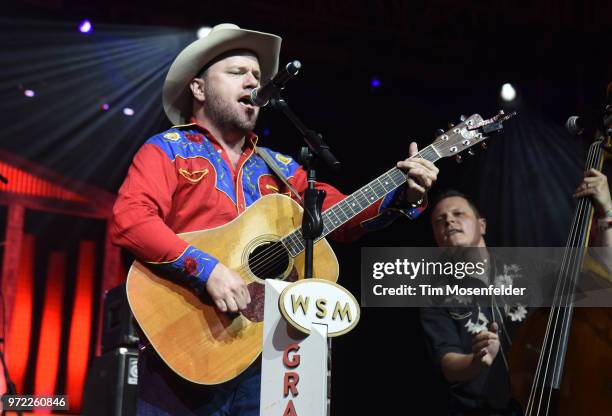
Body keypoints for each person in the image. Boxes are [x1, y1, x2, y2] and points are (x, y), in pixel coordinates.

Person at [111, 23, 439, 415]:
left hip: (266, 355)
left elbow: (343, 215)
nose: (252, 82)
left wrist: (405, 193)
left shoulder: (281, 167)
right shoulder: (167, 150)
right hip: (182, 350)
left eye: (257, 76)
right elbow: (131, 220)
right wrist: (209, 270)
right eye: (237, 73)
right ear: (198, 88)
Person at [420, 172, 611, 416]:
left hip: (551, 400)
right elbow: (447, 363)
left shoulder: (528, 267)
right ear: (436, 239)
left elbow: (603, 278)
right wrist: (476, 361)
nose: (449, 221)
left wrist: (606, 213)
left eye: (458, 214)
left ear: (482, 225)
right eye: (439, 220)